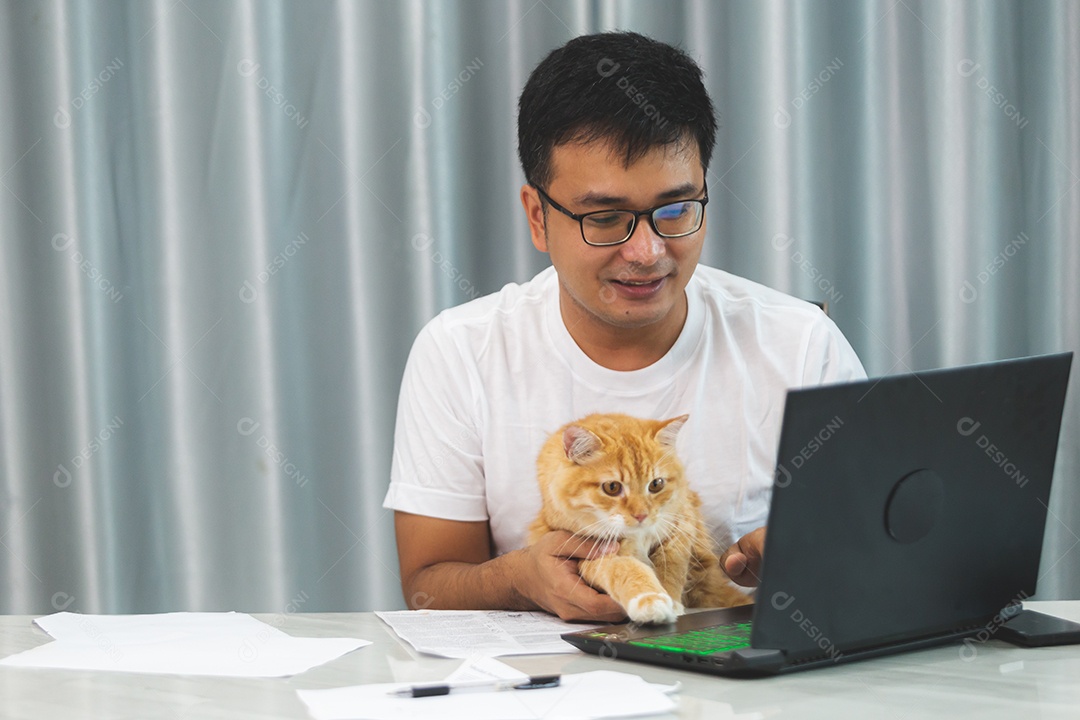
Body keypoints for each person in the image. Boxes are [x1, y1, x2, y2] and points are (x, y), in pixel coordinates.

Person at [383, 31, 865, 621]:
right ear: (538, 218)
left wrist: (814, 556)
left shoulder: (799, 345)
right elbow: (429, 583)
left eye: (676, 210)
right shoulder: (460, 351)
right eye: (606, 218)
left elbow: (875, 543)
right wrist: (522, 578)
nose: (647, 251)